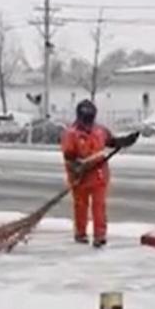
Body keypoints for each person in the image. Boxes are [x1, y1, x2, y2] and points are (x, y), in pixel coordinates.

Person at [60, 100, 138, 248]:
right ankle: (80, 233)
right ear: (79, 117)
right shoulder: (70, 134)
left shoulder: (100, 131)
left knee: (99, 206)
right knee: (81, 206)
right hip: (80, 177)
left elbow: (112, 141)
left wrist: (125, 141)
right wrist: (77, 169)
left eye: (90, 119)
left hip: (99, 175)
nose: (88, 123)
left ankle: (99, 236)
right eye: (85, 119)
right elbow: (69, 157)